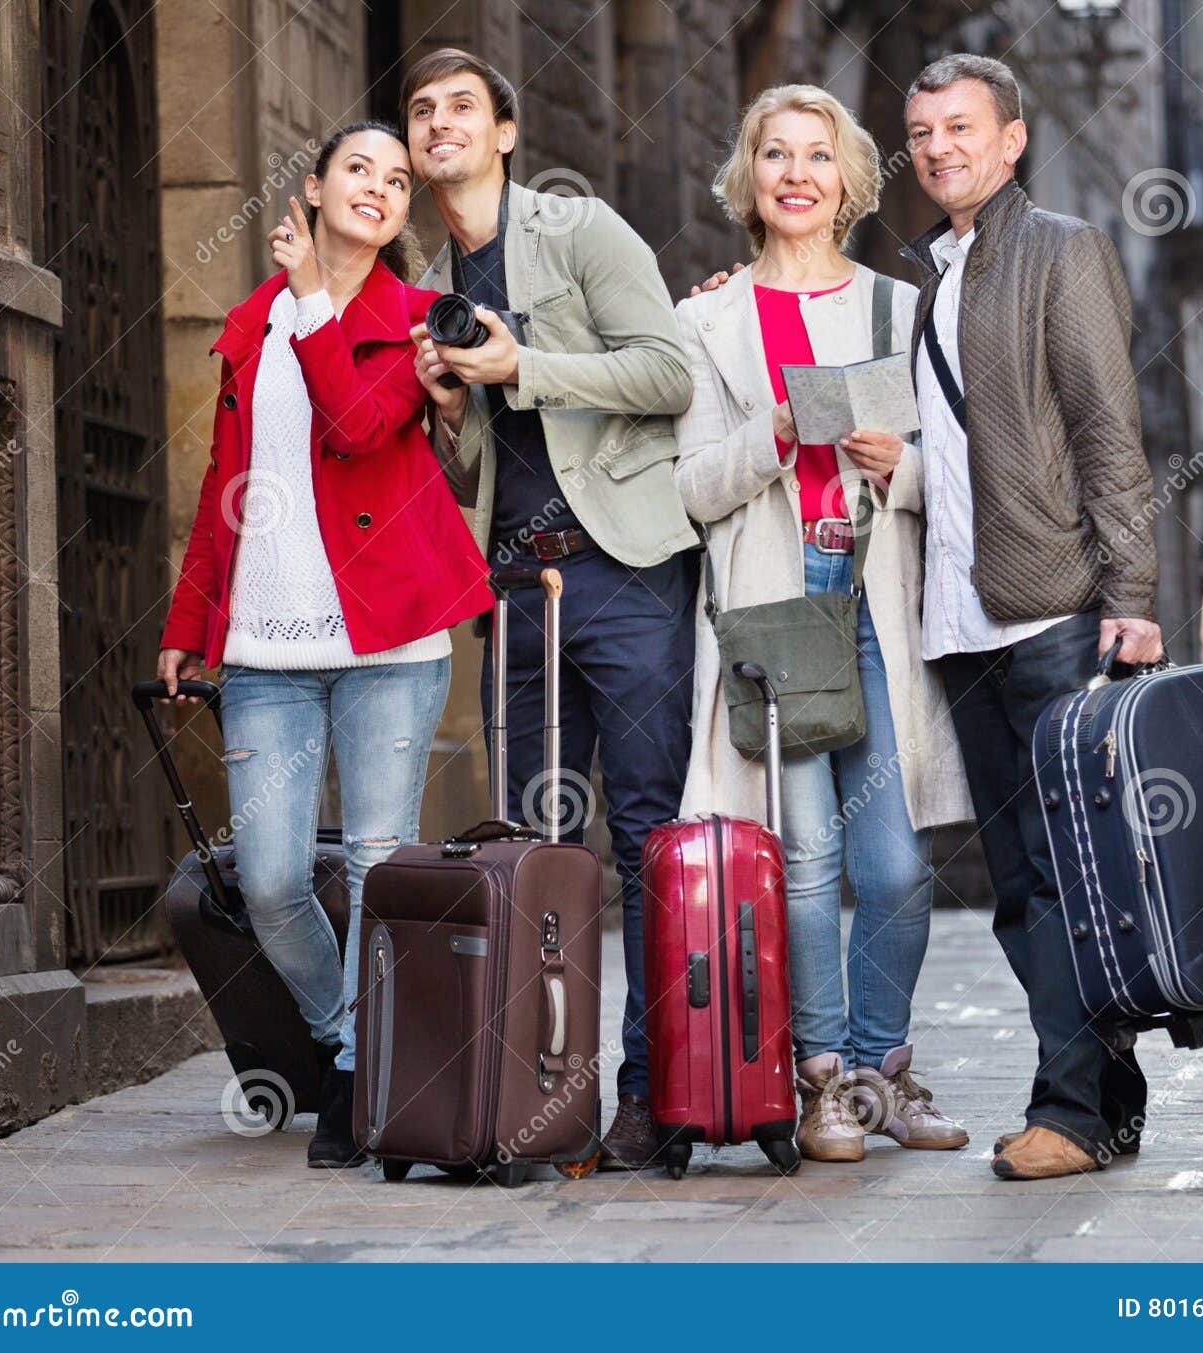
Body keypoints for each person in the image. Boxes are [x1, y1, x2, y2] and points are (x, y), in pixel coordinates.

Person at [156, 121, 492, 1169]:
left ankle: (359, 1081)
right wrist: (186, 625)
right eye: (361, 169)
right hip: (265, 642)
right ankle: (348, 1038)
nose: (382, 188)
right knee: (266, 880)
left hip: (390, 639)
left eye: (399, 180)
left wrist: (310, 301)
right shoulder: (248, 324)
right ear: (312, 187)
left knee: (381, 865)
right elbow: (223, 491)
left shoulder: (412, 323)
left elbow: (353, 424)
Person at [401, 49, 698, 1169]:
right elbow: (469, 471)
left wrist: (527, 367)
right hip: (519, 593)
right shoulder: (431, 281)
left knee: (644, 836)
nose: (439, 125)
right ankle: (538, 1095)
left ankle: (650, 1099)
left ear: (505, 132)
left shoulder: (581, 234)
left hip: (622, 573)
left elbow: (667, 374)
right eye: (422, 112)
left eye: (461, 109)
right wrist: (444, 408)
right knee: (532, 846)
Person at [673, 85, 974, 1164]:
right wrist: (775, 431)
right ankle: (823, 1086)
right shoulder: (704, 321)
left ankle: (884, 1070)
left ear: (848, 179)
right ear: (747, 180)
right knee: (805, 859)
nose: (796, 174)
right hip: (773, 615)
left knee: (893, 867)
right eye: (774, 155)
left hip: (874, 607)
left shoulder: (904, 310)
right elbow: (692, 489)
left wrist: (906, 469)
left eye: (816, 156)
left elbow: (970, 471)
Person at [900, 54, 1163, 1180]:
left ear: (1010, 139)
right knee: (1017, 886)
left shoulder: (1061, 250)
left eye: (960, 128)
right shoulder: (932, 278)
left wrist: (1132, 599)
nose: (939, 149)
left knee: (1063, 874)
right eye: (921, 134)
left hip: (1048, 606)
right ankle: (1105, 1096)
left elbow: (1106, 430)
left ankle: (1069, 1109)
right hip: (960, 615)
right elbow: (963, 450)